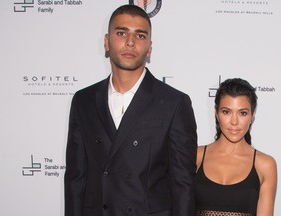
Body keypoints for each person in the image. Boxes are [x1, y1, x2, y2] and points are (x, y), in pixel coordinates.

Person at [64, 4, 197, 216]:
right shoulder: (84, 100)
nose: (130, 42)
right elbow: (75, 178)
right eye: (121, 33)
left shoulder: (174, 102)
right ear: (107, 42)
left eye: (140, 36)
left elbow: (183, 185)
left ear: (150, 48)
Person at [195, 78, 277, 216]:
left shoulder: (265, 165)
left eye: (242, 113)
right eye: (226, 112)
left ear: (252, 115)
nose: (234, 121)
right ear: (216, 113)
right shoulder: (195, 156)